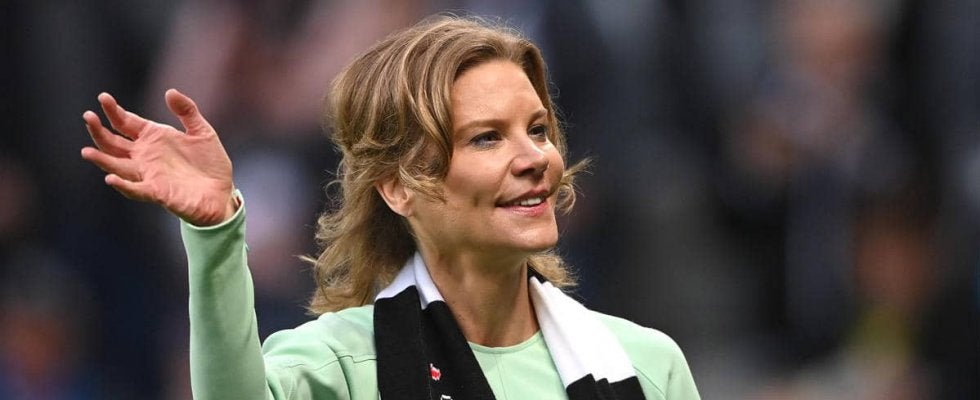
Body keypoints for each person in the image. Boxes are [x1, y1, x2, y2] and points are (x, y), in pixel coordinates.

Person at [80, 15, 700, 400]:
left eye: (537, 130)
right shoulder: (337, 366)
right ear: (398, 187)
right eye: (487, 138)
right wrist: (216, 232)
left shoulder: (648, 365)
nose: (535, 157)